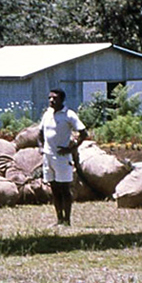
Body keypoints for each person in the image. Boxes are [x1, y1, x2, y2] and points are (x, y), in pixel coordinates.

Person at [39, 88, 86, 226]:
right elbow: (40, 133)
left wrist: (71, 148)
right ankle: (59, 219)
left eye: (55, 98)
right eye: (50, 98)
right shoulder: (47, 114)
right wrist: (41, 147)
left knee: (64, 189)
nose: (51, 100)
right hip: (48, 157)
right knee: (54, 188)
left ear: (62, 100)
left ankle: (67, 220)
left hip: (62, 158)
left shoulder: (69, 115)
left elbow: (83, 133)